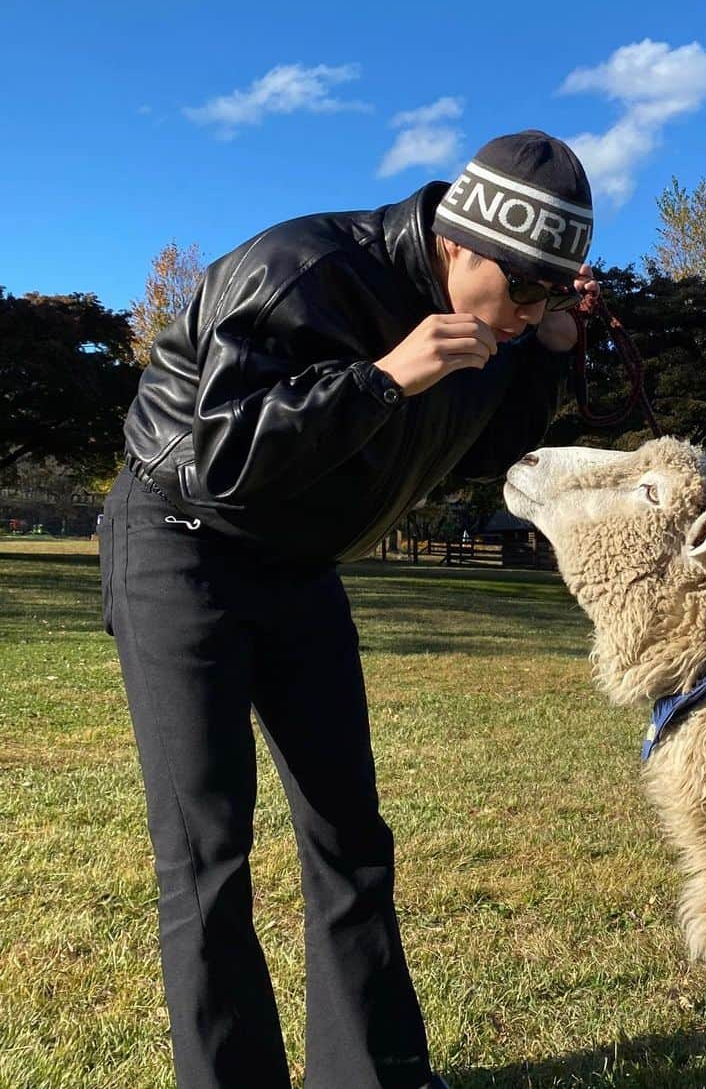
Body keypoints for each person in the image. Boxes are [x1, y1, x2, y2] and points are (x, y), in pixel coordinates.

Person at [99, 131, 597, 1089]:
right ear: (461, 242)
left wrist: (548, 352)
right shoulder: (302, 271)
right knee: (209, 849)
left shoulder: (495, 325)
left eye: (552, 293)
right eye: (524, 292)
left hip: (301, 565)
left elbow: (490, 448)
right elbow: (218, 459)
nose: (529, 311)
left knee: (350, 834)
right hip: (180, 539)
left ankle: (375, 1077)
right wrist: (381, 377)